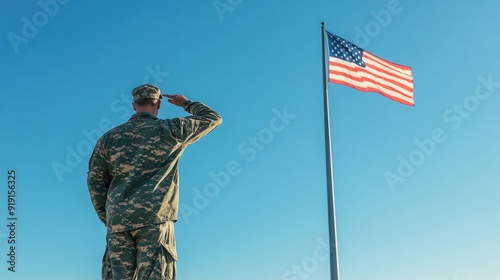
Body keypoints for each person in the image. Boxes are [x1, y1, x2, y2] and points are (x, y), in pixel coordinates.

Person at [87, 84, 222, 280]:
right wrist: (186, 103)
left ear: (134, 106)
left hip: (117, 221)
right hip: (154, 219)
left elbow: (95, 183)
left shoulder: (108, 139)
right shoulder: (170, 129)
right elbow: (213, 118)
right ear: (158, 104)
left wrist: (111, 218)